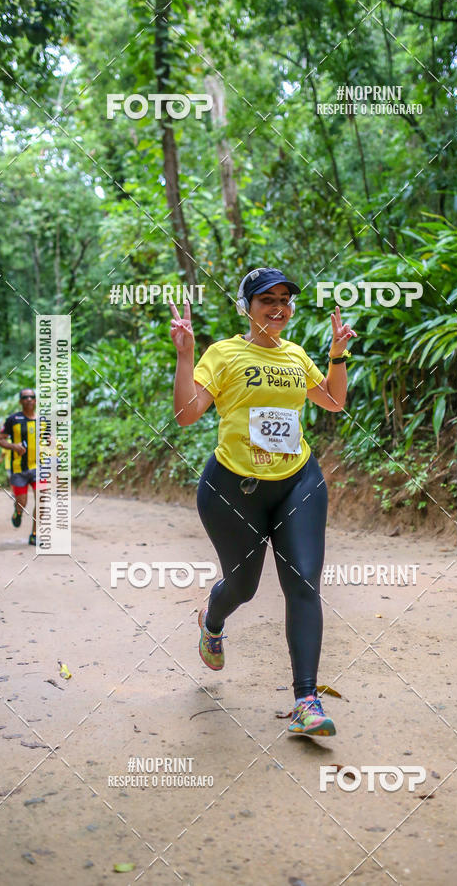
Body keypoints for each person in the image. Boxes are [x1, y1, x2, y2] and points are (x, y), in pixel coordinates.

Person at [170, 267, 356, 737]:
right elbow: (187, 414)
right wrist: (186, 355)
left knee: (303, 582)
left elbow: (333, 402)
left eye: (285, 300)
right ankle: (211, 619)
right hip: (232, 489)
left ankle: (306, 700)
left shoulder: (296, 356)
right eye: (265, 300)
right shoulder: (225, 353)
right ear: (245, 307)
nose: (278, 308)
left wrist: (337, 355)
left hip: (298, 480)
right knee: (244, 586)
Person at [0, 388, 39, 546]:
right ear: (21, 401)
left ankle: (34, 534)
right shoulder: (12, 419)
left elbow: (49, 439)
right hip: (19, 469)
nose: (29, 399)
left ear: (35, 401)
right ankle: (18, 512)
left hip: (39, 467)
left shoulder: (43, 420)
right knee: (22, 502)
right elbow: (0, 440)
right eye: (25, 397)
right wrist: (14, 446)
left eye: (32, 397)